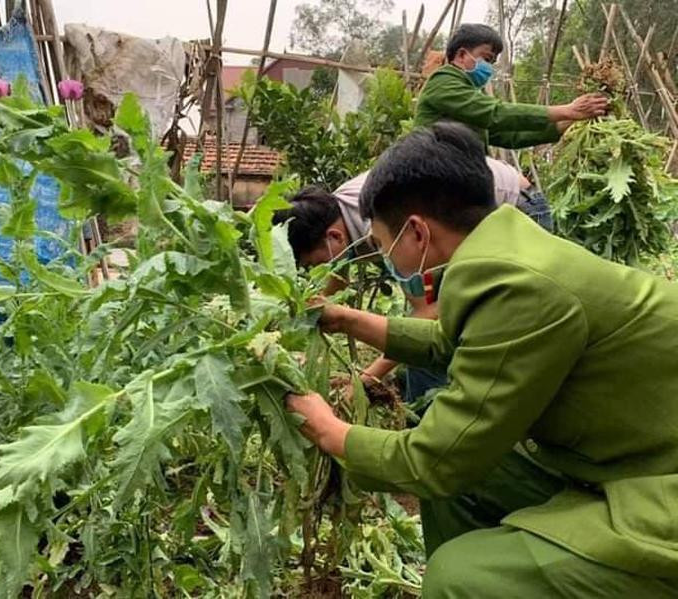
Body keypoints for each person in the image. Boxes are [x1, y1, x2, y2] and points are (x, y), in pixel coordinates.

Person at [286, 122, 678, 597]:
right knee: (472, 477)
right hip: (630, 457)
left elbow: (434, 461)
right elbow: (456, 342)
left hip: (659, 491)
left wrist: (328, 430)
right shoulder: (507, 248)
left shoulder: (518, 286)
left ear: (417, 232)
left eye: (382, 245)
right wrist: (349, 319)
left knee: (458, 576)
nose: (384, 257)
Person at [274, 156, 551, 403]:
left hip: (516, 207)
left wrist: (367, 379)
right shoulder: (332, 213)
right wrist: (301, 326)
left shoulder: (381, 223)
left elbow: (427, 314)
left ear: (333, 237)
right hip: (475, 215)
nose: (317, 270)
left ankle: (430, 421)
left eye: (315, 263)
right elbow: (337, 277)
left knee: (463, 337)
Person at [415, 23, 609, 149]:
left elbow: (508, 136)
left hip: (457, 168)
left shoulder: (469, 91)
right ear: (461, 55)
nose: (489, 67)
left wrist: (562, 125)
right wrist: (566, 110)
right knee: (517, 187)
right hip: (435, 166)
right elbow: (495, 113)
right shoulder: (443, 82)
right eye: (486, 59)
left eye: (492, 63)